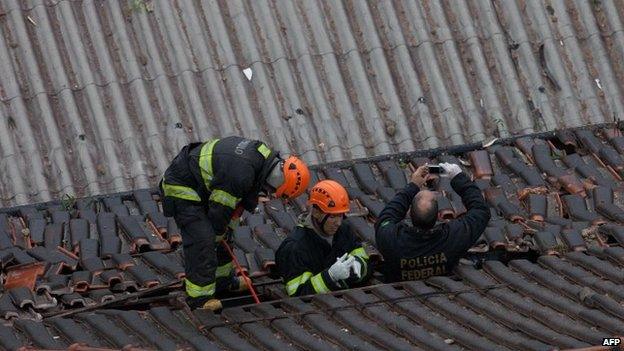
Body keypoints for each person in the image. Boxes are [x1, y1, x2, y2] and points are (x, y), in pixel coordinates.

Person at [160, 136, 310, 309]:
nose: (271, 193)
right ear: (279, 181)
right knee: (203, 238)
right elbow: (219, 211)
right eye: (276, 191)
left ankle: (222, 281)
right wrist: (218, 233)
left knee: (227, 230)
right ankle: (199, 298)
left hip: (205, 187)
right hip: (182, 186)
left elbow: (241, 198)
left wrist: (227, 227)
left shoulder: (262, 158)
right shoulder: (241, 173)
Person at [375, 163, 490, 282]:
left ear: (409, 213)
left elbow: (386, 217)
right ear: (438, 216)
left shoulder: (390, 239)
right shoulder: (453, 238)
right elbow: (480, 211)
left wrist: (413, 185)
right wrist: (458, 177)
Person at [276, 180, 372, 296]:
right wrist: (330, 277)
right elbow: (298, 294)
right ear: (316, 213)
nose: (338, 223)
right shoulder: (295, 248)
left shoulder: (344, 231)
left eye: (341, 216)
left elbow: (367, 264)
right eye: (332, 217)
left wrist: (359, 267)